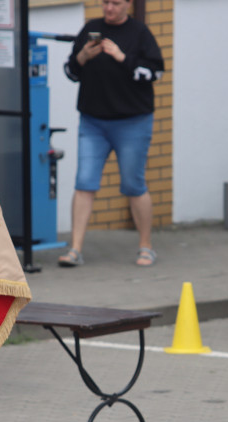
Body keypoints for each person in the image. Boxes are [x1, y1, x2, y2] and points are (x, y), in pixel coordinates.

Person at [59, 0, 164, 268]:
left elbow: (155, 72)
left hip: (132, 122)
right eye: (105, 2)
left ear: (129, 4)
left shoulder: (139, 33)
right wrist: (83, 56)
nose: (109, 8)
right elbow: (71, 71)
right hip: (93, 122)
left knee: (133, 184)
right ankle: (75, 249)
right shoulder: (90, 28)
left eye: (115, 3)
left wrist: (121, 56)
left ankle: (146, 246)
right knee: (84, 182)